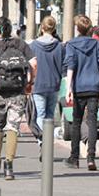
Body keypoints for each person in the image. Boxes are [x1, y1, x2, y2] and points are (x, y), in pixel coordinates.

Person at [0, 17, 36, 181]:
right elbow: (33, 63)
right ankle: (9, 166)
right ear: (11, 29)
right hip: (18, 90)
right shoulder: (21, 45)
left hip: (0, 92)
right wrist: (30, 82)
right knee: (13, 127)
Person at [64, 15, 99, 171]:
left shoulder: (71, 45)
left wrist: (68, 88)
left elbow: (70, 66)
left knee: (76, 122)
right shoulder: (96, 44)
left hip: (79, 87)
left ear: (77, 29)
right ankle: (91, 158)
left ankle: (74, 158)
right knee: (92, 122)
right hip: (93, 86)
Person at [30, 16, 65, 154]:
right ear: (54, 28)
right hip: (54, 84)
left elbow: (30, 65)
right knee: (50, 115)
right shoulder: (59, 46)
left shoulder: (33, 46)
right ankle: (48, 142)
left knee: (40, 114)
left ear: (42, 27)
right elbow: (63, 65)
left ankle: (42, 142)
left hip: (38, 84)